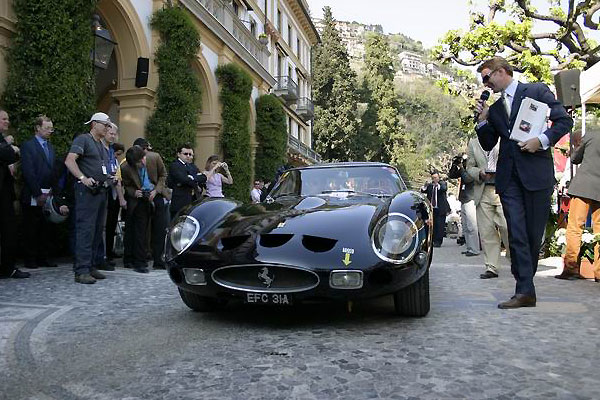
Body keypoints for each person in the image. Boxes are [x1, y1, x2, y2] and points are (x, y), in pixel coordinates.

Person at [474, 56, 573, 308]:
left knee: (532, 234)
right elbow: (487, 144)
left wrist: (541, 140)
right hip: (509, 180)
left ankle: (526, 287)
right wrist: (483, 120)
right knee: (516, 232)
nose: (485, 84)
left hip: (537, 175)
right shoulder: (495, 109)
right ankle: (524, 289)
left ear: (500, 72)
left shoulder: (536, 91)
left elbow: (564, 121)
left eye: (486, 77)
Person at [64, 112, 113, 284]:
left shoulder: (101, 144)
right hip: (87, 192)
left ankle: (90, 266)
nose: (107, 127)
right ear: (94, 124)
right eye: (105, 124)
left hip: (100, 192)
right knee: (85, 230)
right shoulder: (83, 139)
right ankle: (81, 270)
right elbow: (70, 161)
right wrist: (82, 178)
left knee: (97, 230)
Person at [555, 129, 600, 282]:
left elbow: (575, 158)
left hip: (583, 187)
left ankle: (571, 268)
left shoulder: (591, 135)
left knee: (575, 227)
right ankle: (599, 272)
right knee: (599, 231)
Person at [19, 115, 61, 269]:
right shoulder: (28, 146)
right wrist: (37, 193)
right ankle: (30, 258)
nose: (50, 131)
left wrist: (51, 192)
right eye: (47, 128)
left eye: (51, 128)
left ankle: (44, 257)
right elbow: (28, 171)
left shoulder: (50, 147)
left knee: (45, 228)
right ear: (37, 128)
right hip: (33, 193)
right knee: (31, 227)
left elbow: (53, 171)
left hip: (48, 193)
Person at [466, 137, 510, 279]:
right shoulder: (474, 142)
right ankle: (491, 266)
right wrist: (479, 172)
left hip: (504, 189)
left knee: (507, 227)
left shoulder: (506, 137)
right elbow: (469, 167)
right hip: (483, 190)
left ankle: (515, 259)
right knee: (487, 231)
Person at [131, 138, 169, 269]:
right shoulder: (128, 163)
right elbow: (126, 182)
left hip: (156, 194)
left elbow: (163, 175)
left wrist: (156, 190)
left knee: (159, 228)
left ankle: (158, 260)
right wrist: (134, 192)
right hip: (140, 198)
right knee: (141, 230)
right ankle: (140, 261)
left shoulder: (155, 157)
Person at [0, 109, 29, 279]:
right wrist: (8, 145)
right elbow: (8, 154)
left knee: (9, 231)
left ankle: (8, 267)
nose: (7, 122)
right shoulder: (5, 142)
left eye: (8, 119)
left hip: (5, 193)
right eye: (3, 119)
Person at [120, 146, 154, 273]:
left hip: (147, 200)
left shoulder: (152, 160)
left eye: (140, 161)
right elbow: (126, 185)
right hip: (134, 202)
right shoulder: (125, 167)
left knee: (141, 232)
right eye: (136, 163)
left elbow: (160, 177)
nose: (139, 164)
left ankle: (140, 260)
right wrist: (134, 192)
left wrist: (153, 191)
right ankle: (130, 259)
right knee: (131, 231)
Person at [101, 124, 124, 269]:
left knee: (108, 227)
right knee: (102, 227)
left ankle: (105, 254)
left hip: (111, 193)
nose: (113, 136)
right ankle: (102, 255)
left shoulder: (110, 153)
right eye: (111, 133)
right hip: (102, 192)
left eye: (115, 134)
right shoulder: (101, 149)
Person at [448, 153, 479, 257]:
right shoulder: (463, 169)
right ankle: (469, 247)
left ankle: (475, 249)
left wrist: (461, 168)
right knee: (465, 226)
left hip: (471, 198)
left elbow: (468, 179)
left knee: (472, 226)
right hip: (463, 199)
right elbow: (451, 175)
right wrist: (454, 164)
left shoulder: (473, 169)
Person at [168, 144, 209, 219]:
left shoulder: (192, 166)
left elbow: (203, 178)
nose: (188, 156)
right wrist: (195, 178)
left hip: (192, 201)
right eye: (185, 154)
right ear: (178, 154)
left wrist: (191, 177)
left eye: (190, 154)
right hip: (179, 202)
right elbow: (183, 179)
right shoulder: (175, 165)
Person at [421, 171, 450, 247]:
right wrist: (425, 185)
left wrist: (438, 185)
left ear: (438, 177)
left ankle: (438, 242)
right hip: (432, 209)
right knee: (432, 225)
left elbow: (444, 189)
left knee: (440, 226)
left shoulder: (442, 184)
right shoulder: (430, 186)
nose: (435, 179)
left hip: (440, 208)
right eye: (433, 178)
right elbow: (423, 190)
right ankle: (431, 240)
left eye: (436, 178)